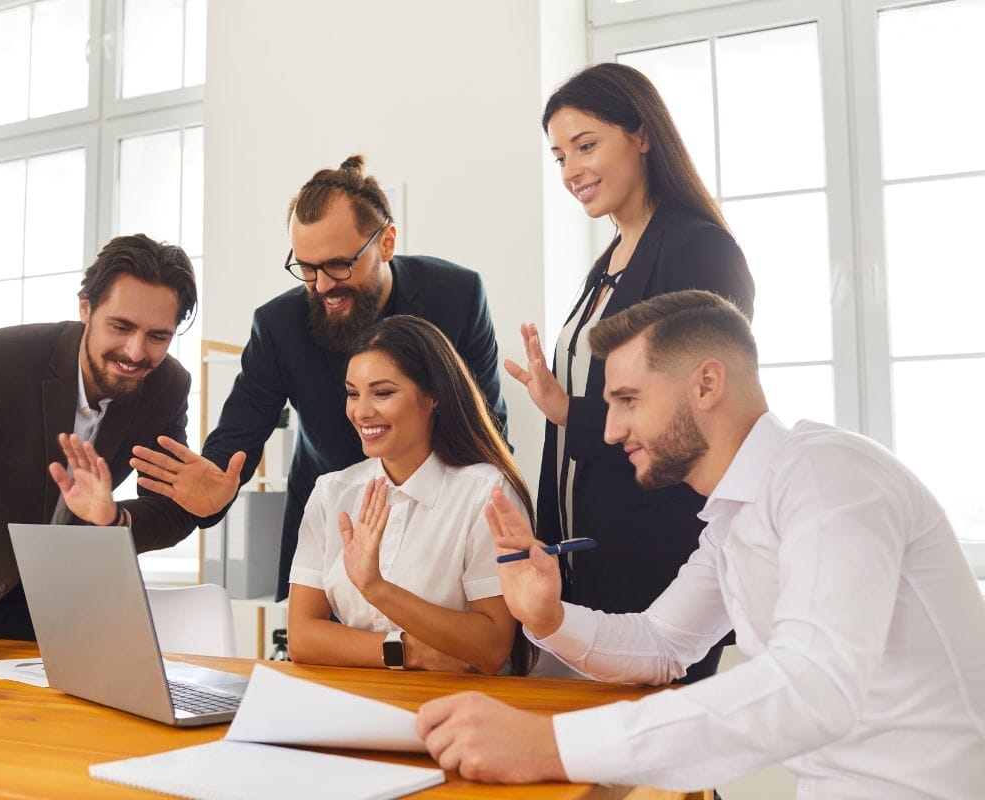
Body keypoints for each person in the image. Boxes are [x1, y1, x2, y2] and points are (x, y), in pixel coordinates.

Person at [417, 290, 985, 796]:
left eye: (628, 400)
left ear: (707, 384)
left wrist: (551, 745)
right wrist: (547, 617)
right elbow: (664, 645)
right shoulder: (735, 517)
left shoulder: (829, 475)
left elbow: (815, 688)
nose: (610, 431)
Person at [130, 155, 508, 600]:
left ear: (386, 242)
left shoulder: (457, 295)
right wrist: (214, 485)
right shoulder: (279, 324)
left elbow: (488, 428)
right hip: (328, 529)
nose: (322, 285)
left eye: (337, 265)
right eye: (306, 268)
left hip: (442, 521)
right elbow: (240, 432)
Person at [505, 63, 754, 681]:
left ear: (641, 135)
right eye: (559, 156)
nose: (571, 172)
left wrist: (568, 412)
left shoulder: (697, 248)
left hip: (659, 560)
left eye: (586, 146)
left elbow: (694, 414)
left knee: (660, 767)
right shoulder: (608, 263)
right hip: (586, 556)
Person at [0, 234, 201, 666]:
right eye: (121, 326)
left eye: (158, 336)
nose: (135, 352)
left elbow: (172, 509)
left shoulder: (167, 386)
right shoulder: (0, 359)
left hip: (66, 607)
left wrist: (111, 517)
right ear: (86, 308)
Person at [288, 316, 530, 674]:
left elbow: (492, 646)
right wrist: (405, 651)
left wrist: (377, 588)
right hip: (355, 702)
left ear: (433, 396)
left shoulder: (485, 493)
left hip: (459, 709)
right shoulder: (332, 492)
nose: (361, 411)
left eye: (383, 393)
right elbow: (303, 638)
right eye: (353, 393)